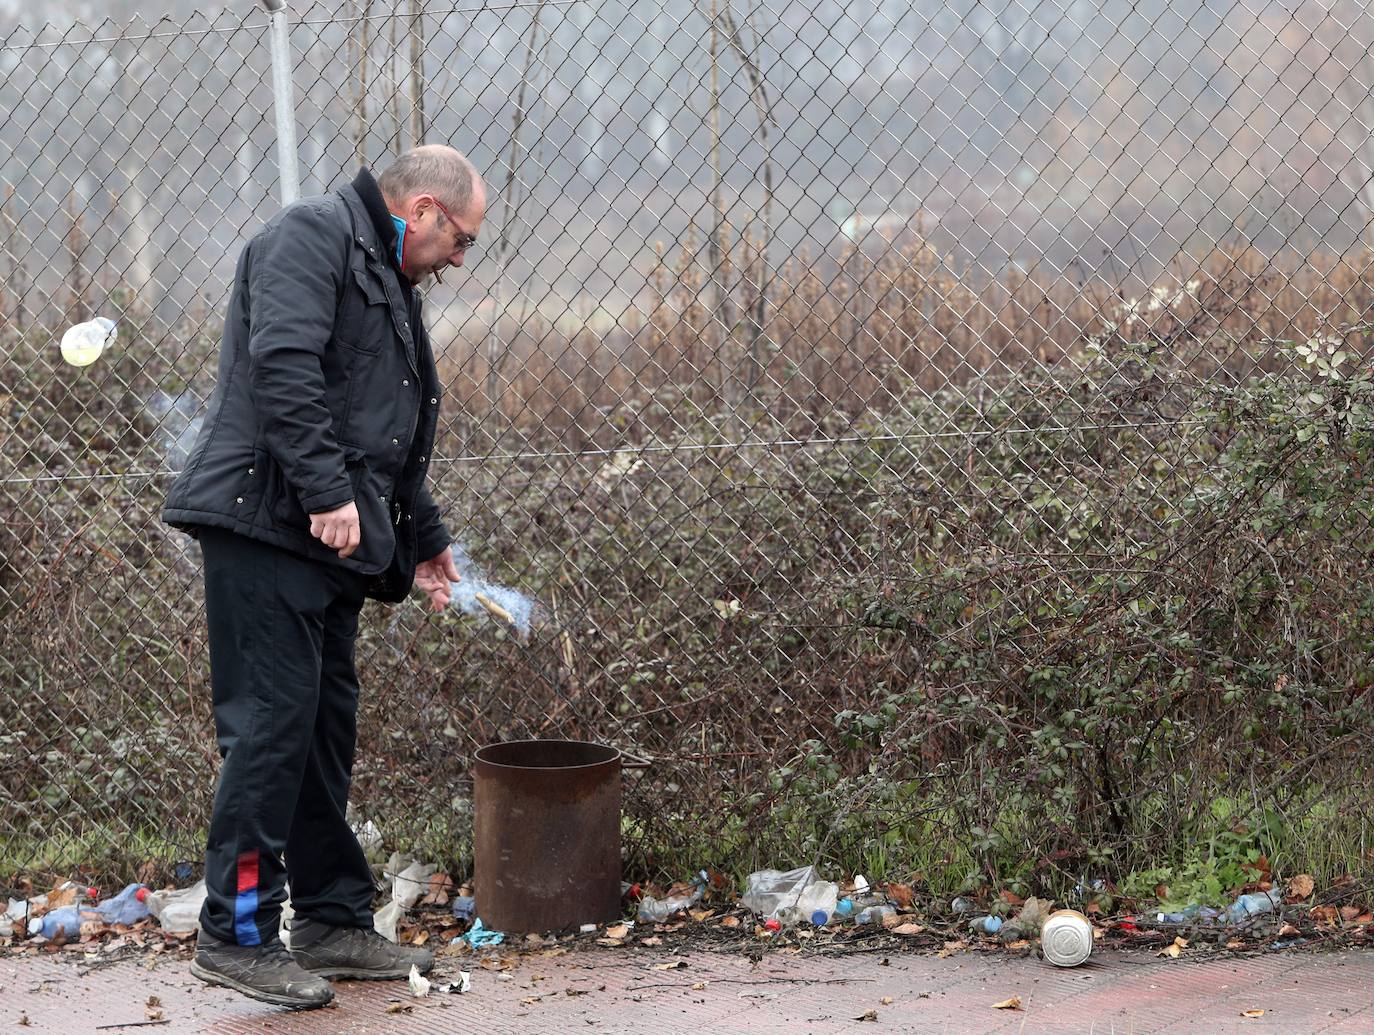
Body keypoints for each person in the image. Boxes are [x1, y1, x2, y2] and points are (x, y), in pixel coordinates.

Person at [162, 145, 486, 1008]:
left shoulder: (382, 272)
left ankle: (334, 917)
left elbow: (383, 427)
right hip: (268, 524)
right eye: (459, 239)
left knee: (319, 730)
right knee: (269, 729)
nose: (459, 258)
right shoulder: (310, 237)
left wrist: (423, 535)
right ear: (422, 208)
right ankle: (235, 931)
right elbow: (284, 368)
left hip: (325, 545)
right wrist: (324, 490)